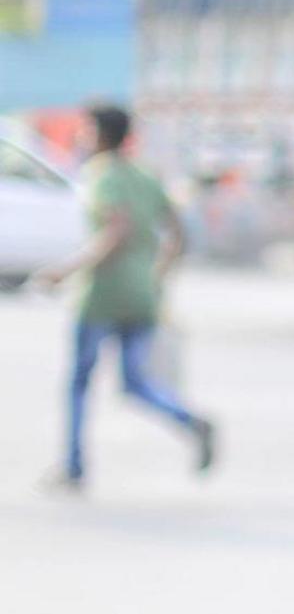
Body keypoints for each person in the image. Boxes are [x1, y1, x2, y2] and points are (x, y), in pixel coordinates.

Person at [39, 102, 214, 494]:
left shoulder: (103, 175)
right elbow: (178, 235)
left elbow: (115, 231)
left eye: (86, 130)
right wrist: (156, 279)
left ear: (100, 135)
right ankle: (189, 420)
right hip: (141, 294)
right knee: (136, 381)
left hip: (102, 293)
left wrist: (64, 271)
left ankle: (74, 467)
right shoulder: (146, 175)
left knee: (80, 382)